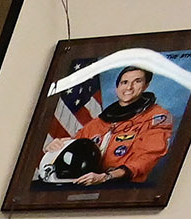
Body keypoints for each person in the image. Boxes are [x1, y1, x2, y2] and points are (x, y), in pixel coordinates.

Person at [43, 64, 175, 187]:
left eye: (137, 81)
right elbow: (76, 146)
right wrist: (57, 147)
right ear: (117, 87)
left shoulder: (155, 117)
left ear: (146, 85)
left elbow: (145, 159)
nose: (129, 87)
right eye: (124, 82)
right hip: (87, 183)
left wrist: (107, 176)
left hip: (123, 187)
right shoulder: (100, 122)